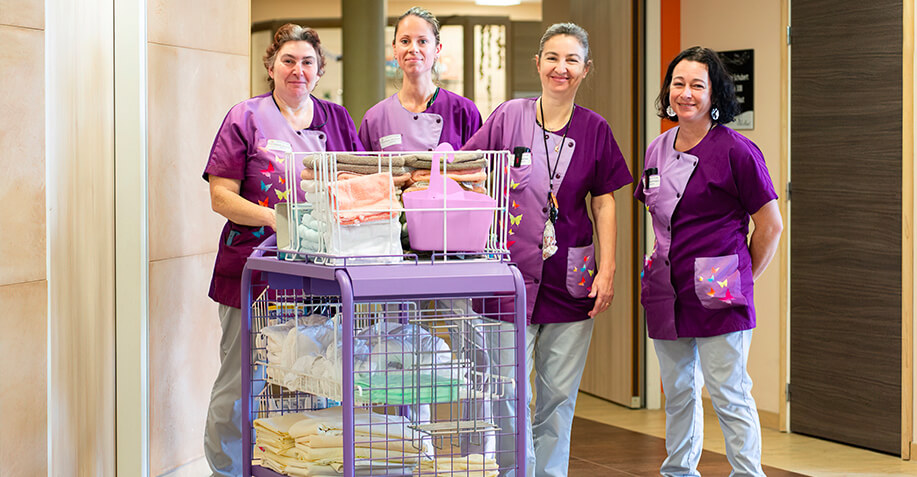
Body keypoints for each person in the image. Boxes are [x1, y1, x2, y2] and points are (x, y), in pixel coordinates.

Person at [462, 23, 633, 477]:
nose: (561, 68)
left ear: (585, 70)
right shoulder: (508, 116)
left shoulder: (596, 129)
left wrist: (608, 267)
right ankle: (514, 471)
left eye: (572, 60)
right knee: (504, 391)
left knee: (557, 395)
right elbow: (469, 166)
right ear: (537, 64)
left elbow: (604, 201)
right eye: (553, 58)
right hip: (506, 276)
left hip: (569, 280)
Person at [201, 23, 362, 476]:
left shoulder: (338, 119)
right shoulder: (245, 117)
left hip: (322, 276)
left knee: (315, 379)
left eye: (308, 62)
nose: (298, 70)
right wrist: (278, 220)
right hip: (252, 271)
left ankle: (301, 466)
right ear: (271, 66)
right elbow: (221, 197)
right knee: (241, 383)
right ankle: (228, 470)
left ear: (319, 70)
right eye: (288, 60)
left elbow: (358, 184)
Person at [636, 46, 783, 477]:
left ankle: (746, 473)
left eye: (697, 85)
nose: (685, 93)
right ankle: (678, 471)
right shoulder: (657, 148)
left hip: (720, 288)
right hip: (667, 288)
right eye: (678, 84)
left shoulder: (738, 151)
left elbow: (770, 226)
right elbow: (657, 215)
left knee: (728, 392)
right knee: (679, 391)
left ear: (714, 93)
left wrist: (741, 277)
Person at [358, 6, 482, 151]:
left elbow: (477, 169)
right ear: (395, 49)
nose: (413, 49)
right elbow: (364, 171)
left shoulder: (464, 111)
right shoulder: (375, 118)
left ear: (437, 49)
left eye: (422, 41)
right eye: (405, 41)